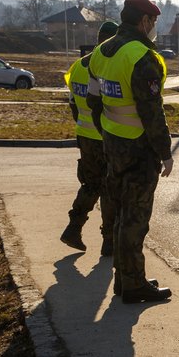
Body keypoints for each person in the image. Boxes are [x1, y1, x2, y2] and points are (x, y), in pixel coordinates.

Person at [87, 0, 174, 304]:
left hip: (113, 145)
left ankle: (125, 280)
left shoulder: (100, 53)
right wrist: (165, 152)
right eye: (154, 22)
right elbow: (152, 112)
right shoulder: (142, 57)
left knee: (121, 215)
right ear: (144, 21)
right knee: (135, 219)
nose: (154, 28)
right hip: (139, 150)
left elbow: (94, 100)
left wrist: (107, 133)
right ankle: (134, 284)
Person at [60, 20, 119, 255]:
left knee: (90, 184)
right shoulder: (105, 66)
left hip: (84, 135)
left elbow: (73, 102)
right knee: (109, 189)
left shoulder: (77, 66)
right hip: (106, 135)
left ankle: (74, 228)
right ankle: (109, 240)